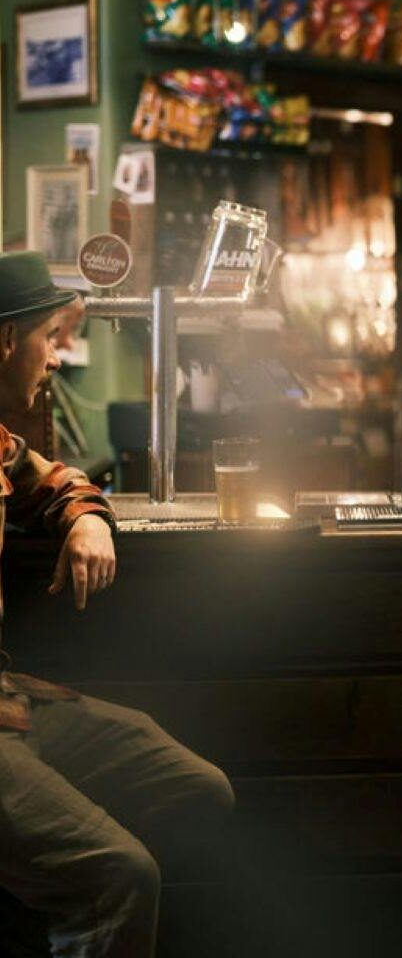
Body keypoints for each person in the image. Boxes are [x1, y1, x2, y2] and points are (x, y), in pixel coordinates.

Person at [0, 252, 234, 957]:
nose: (58, 355)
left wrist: (87, 519)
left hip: (10, 701)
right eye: (48, 336)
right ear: (6, 341)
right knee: (119, 875)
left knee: (197, 789)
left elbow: (56, 481)